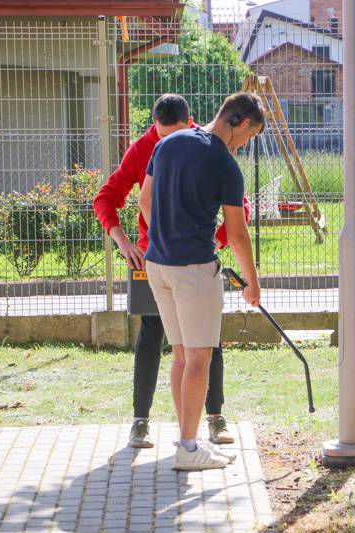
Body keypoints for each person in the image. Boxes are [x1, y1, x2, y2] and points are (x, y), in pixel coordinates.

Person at [93, 93, 248, 450]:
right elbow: (107, 198)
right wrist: (124, 241)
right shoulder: (144, 149)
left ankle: (213, 417)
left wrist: (216, 243)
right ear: (155, 131)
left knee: (206, 342)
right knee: (151, 334)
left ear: (190, 123)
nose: (169, 143)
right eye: (162, 138)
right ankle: (141, 421)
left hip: (195, 258)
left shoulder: (209, 144)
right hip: (156, 259)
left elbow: (239, 208)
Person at [140, 92, 264, 471]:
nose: (244, 145)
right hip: (194, 269)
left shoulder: (169, 143)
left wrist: (166, 233)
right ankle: (189, 449)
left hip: (157, 265)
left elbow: (144, 200)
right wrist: (252, 282)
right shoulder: (224, 163)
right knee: (198, 358)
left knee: (180, 354)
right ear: (239, 121)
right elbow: (238, 233)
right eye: (249, 136)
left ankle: (187, 441)